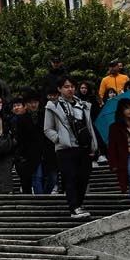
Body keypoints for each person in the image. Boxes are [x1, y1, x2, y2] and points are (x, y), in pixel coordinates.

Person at [43, 75, 96, 221]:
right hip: (65, 148)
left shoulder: (83, 105)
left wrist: (93, 145)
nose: (70, 89)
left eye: (72, 86)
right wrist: (60, 139)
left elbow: (89, 126)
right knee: (70, 177)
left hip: (83, 147)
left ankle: (78, 205)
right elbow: (48, 129)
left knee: (83, 177)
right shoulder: (52, 106)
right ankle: (74, 207)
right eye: (66, 87)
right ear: (59, 89)